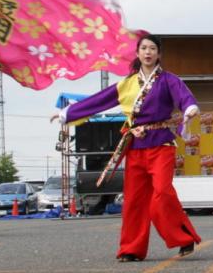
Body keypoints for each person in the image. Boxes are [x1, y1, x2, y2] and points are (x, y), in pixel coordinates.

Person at [54, 33, 201, 261]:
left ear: (159, 54)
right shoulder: (128, 83)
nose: (148, 52)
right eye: (144, 48)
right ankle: (131, 249)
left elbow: (185, 98)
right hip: (134, 146)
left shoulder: (169, 80)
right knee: (134, 200)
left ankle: (183, 238)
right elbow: (99, 100)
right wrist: (66, 114)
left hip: (161, 144)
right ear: (137, 53)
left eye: (153, 48)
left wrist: (190, 109)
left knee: (162, 193)